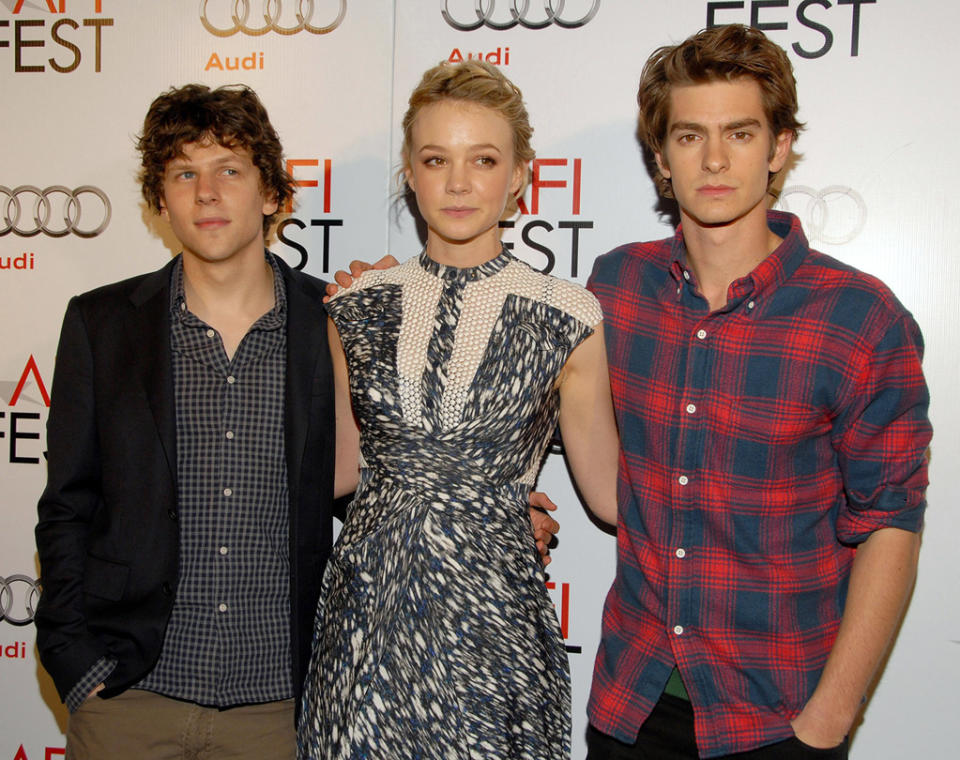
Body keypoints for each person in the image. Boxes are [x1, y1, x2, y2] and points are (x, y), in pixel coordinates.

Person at [585, 24, 932, 759]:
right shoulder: (615, 287)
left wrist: (827, 724)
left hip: (778, 721)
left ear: (777, 149)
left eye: (740, 133)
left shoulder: (859, 318)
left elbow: (891, 525)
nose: (714, 160)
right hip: (629, 706)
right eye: (689, 137)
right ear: (660, 161)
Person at [297, 60, 619, 759]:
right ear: (410, 173)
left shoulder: (571, 316)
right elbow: (336, 473)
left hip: (494, 624)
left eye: (484, 159)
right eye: (436, 158)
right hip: (365, 622)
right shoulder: (355, 305)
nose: (459, 181)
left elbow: (613, 497)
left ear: (520, 178)